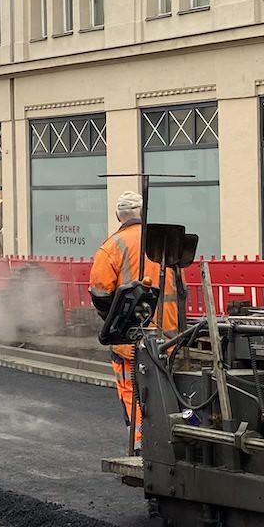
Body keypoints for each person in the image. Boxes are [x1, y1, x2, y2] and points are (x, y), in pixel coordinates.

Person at [89, 191, 185, 451]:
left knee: (133, 392)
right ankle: (171, 439)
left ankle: (143, 446)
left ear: (118, 216)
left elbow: (99, 294)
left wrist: (115, 322)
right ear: (143, 214)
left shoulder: (112, 246)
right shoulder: (163, 244)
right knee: (166, 388)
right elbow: (180, 289)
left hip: (130, 340)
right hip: (169, 336)